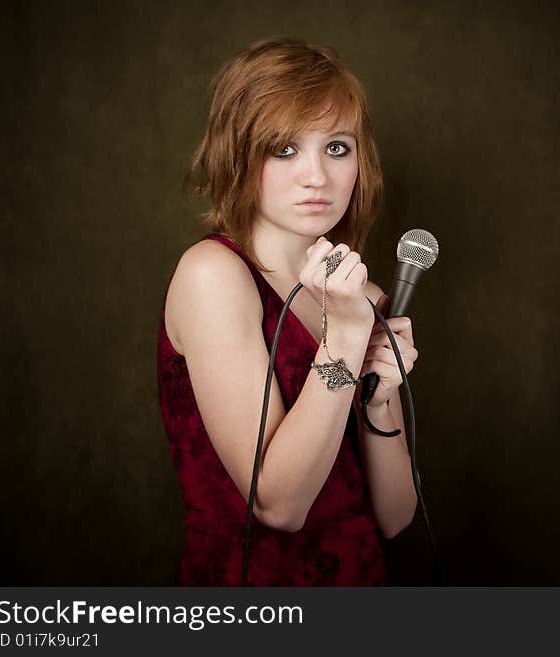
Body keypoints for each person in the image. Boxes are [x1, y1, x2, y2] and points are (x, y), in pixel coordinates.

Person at [156, 37, 419, 586]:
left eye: (338, 148)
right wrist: (345, 345)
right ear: (239, 154)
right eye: (285, 149)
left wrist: (381, 394)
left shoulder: (361, 295)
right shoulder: (215, 276)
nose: (317, 177)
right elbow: (277, 506)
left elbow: (395, 517)